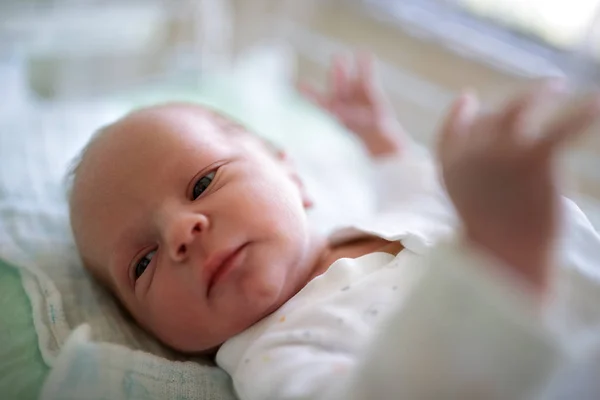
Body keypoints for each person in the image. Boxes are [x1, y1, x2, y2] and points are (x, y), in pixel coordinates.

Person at [68, 53, 600, 399]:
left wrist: (382, 140)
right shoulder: (275, 358)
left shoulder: (380, 219)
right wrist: (501, 259)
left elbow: (415, 190)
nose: (181, 231)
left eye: (203, 183)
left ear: (290, 172)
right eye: (142, 263)